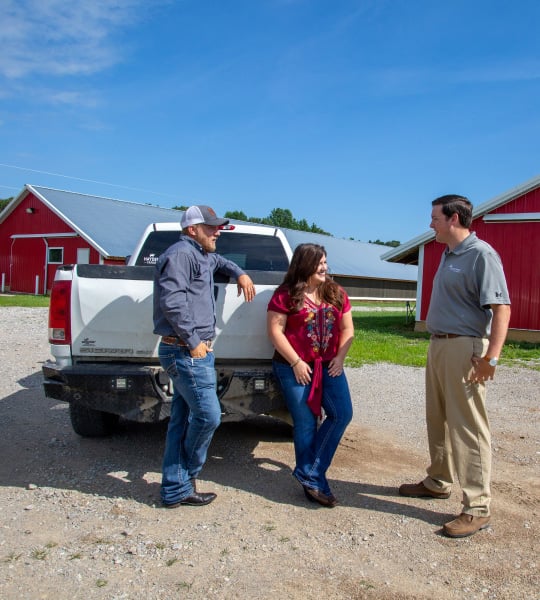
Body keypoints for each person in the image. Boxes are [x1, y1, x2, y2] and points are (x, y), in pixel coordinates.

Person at [399, 194, 511, 538]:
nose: (430, 224)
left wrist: (492, 358)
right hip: (439, 344)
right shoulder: (448, 253)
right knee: (438, 418)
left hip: (465, 348)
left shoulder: (481, 255)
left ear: (454, 220)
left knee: (468, 426)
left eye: (435, 218)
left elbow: (501, 308)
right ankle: (438, 480)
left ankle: (477, 507)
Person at [153, 205, 256, 508]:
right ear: (192, 230)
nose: (217, 232)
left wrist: (241, 273)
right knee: (209, 416)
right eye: (211, 227)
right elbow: (172, 302)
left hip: (192, 351)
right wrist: (194, 340)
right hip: (186, 351)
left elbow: (221, 261)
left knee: (181, 420)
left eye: (217, 227)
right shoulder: (181, 255)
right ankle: (185, 478)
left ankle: (174, 488)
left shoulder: (203, 256)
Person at [267, 243, 354, 507]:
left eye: (326, 262)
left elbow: (348, 329)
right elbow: (275, 331)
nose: (325, 268)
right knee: (305, 422)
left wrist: (340, 358)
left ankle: (310, 472)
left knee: (342, 414)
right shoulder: (285, 295)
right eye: (320, 263)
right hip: (293, 366)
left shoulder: (336, 292)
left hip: (329, 365)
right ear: (305, 264)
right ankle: (314, 483)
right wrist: (295, 362)